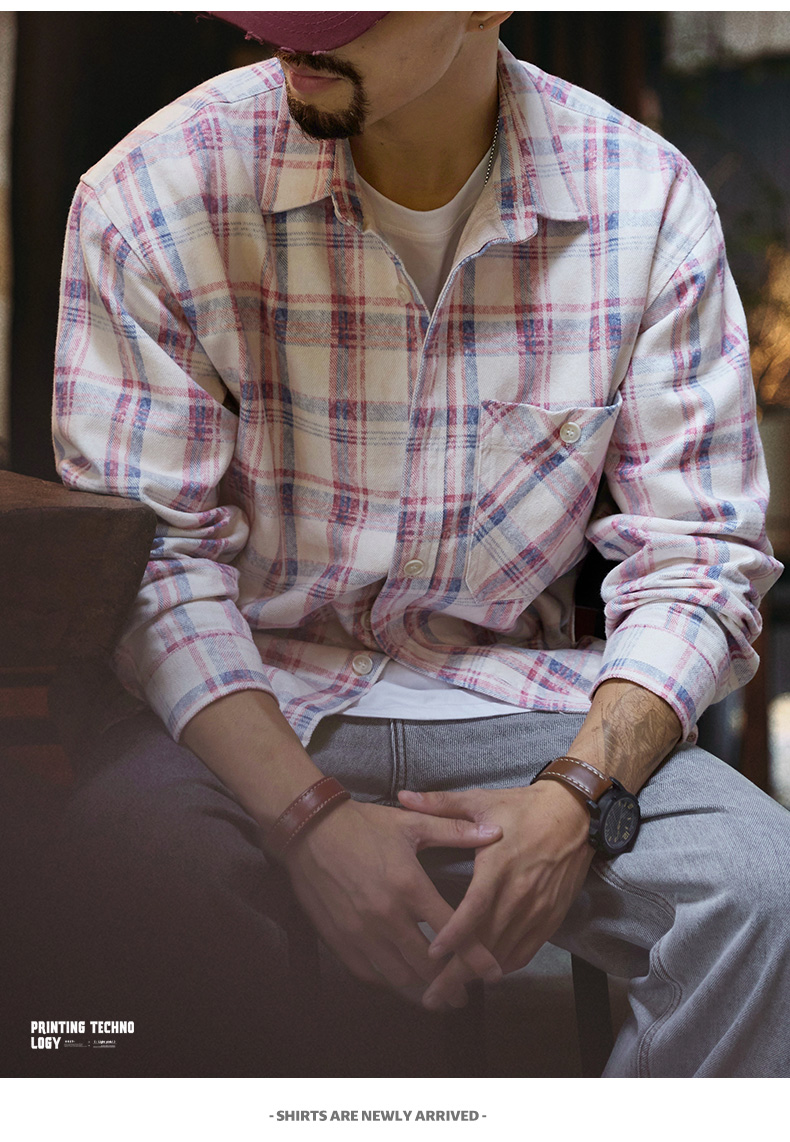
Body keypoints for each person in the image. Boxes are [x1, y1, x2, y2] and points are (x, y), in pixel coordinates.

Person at [47, 10, 790, 1078]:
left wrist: (575, 798)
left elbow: (698, 556)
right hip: (243, 697)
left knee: (761, 894)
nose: (290, 38)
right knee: (127, 874)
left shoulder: (645, 198)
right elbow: (156, 560)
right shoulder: (152, 191)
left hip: (524, 704)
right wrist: (308, 818)